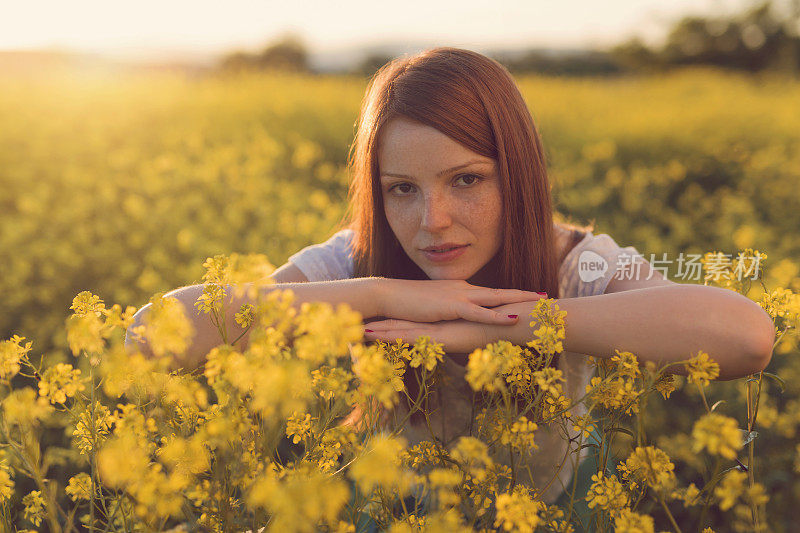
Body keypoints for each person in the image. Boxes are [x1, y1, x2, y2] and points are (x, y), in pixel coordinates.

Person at [126, 47, 775, 526]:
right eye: (401, 190)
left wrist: (501, 321)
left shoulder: (574, 259)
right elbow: (147, 341)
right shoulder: (359, 260)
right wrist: (382, 295)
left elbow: (745, 338)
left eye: (466, 180)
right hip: (392, 509)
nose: (431, 221)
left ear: (515, 173)